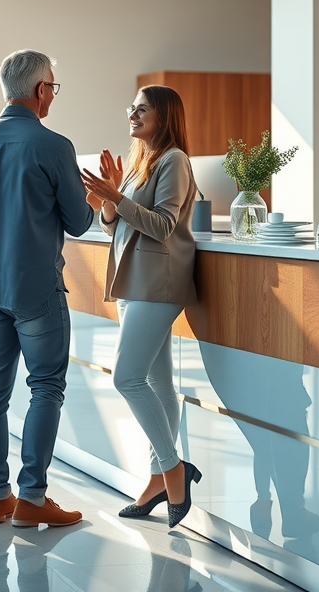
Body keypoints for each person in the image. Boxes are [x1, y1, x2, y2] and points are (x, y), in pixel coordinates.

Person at [0, 49, 94, 528]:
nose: (52, 95)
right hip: (36, 288)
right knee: (46, 387)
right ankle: (32, 497)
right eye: (52, 87)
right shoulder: (54, 145)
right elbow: (79, 222)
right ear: (40, 90)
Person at [79, 85, 201, 528]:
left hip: (158, 283)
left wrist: (116, 198)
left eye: (142, 108)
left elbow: (164, 225)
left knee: (126, 377)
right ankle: (156, 478)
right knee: (158, 384)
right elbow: (117, 225)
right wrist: (106, 203)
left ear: (164, 115)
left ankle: (174, 469)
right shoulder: (141, 161)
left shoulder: (175, 160)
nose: (132, 113)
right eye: (131, 107)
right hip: (133, 281)